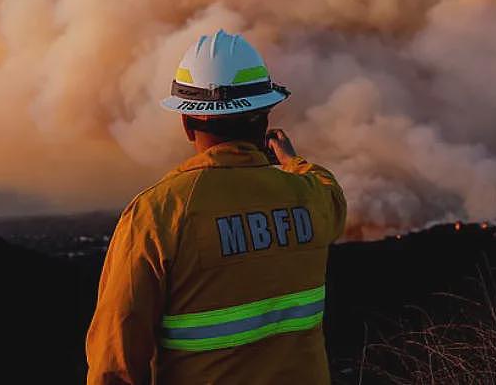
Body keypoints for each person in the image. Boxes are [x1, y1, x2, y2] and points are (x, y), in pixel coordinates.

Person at [86, 30, 347, 384]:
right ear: (265, 118)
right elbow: (333, 195)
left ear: (186, 122)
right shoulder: (311, 197)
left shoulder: (157, 214)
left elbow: (115, 360)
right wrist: (293, 162)